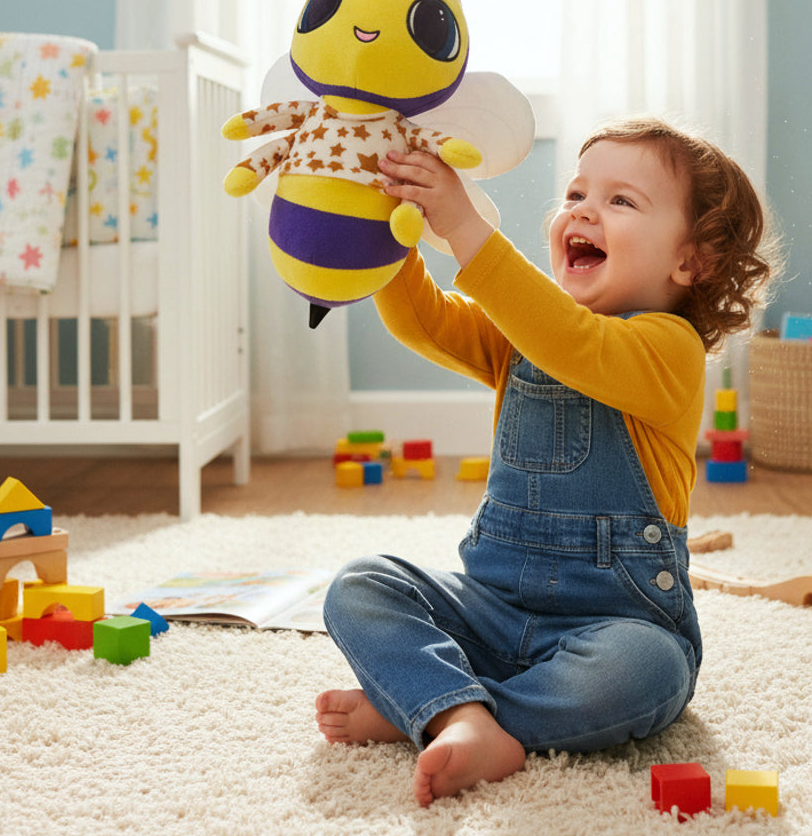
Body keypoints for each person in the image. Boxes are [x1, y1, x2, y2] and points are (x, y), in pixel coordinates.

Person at [315, 115, 777, 808]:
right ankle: (459, 710)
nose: (584, 209)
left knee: (644, 673)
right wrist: (390, 230)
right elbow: (425, 320)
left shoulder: (669, 350)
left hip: (615, 626)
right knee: (360, 585)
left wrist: (467, 227)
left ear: (690, 263)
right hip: (492, 610)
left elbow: (572, 343)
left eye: (621, 201)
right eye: (575, 194)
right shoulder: (525, 332)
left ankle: (437, 706)